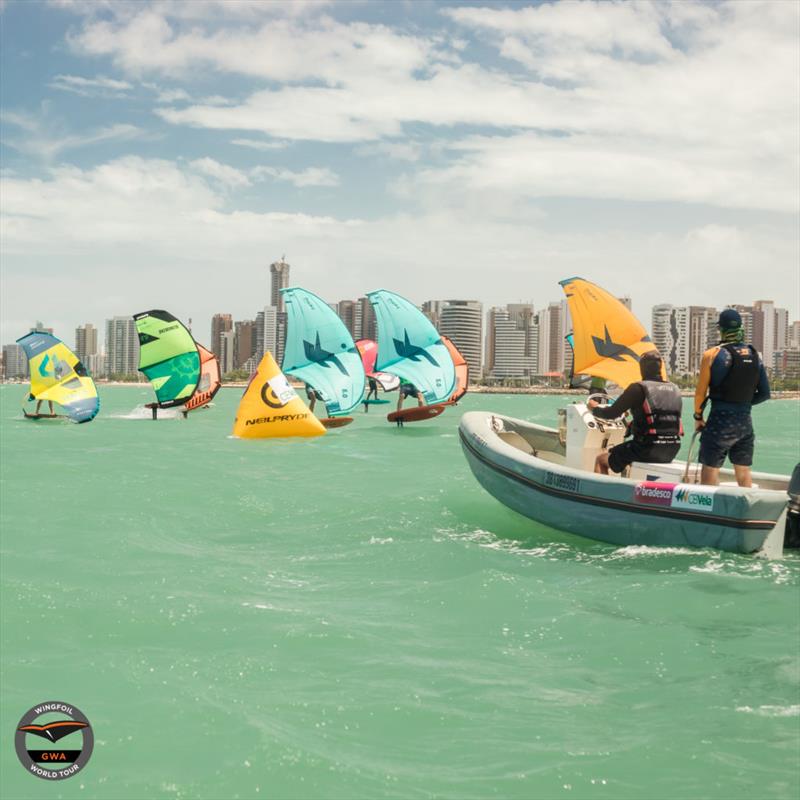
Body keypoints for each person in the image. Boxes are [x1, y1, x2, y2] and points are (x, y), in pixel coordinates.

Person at [694, 308, 770, 487]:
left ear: (720, 329)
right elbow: (765, 393)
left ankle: (710, 512)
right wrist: (742, 403)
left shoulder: (712, 355)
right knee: (743, 471)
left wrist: (698, 417)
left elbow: (700, 392)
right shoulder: (754, 355)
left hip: (719, 423)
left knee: (710, 468)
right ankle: (745, 509)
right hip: (744, 423)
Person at [587, 351, 683, 475]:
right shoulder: (675, 389)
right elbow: (659, 417)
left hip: (647, 448)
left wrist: (594, 408)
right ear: (660, 368)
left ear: (642, 368)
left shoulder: (638, 388)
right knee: (619, 452)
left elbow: (610, 413)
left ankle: (599, 494)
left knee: (601, 460)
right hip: (672, 448)